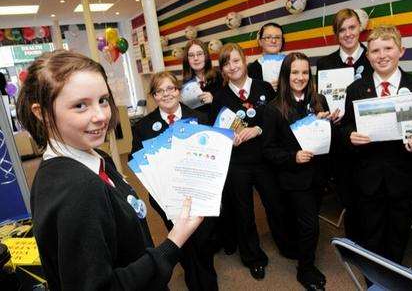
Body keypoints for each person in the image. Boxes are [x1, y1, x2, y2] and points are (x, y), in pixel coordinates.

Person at [16, 50, 203, 291]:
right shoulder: (78, 189)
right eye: (80, 105)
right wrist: (174, 241)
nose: (101, 116)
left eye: (103, 100)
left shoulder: (94, 157)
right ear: (41, 112)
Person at [340, 25, 412, 265]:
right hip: (367, 177)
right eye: (375, 50)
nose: (382, 55)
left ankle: (393, 276)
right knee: (370, 233)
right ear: (368, 55)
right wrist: (350, 136)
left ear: (401, 51)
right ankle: (374, 280)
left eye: (388, 48)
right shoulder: (356, 89)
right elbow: (345, 127)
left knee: (398, 234)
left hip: (403, 176)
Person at [131, 71, 218, 291]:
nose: (166, 94)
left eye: (170, 88)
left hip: (198, 193)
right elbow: (136, 161)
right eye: (159, 91)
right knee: (183, 243)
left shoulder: (200, 118)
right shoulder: (142, 127)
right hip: (166, 197)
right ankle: (192, 278)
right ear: (153, 96)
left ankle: (208, 284)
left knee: (203, 241)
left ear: (178, 91)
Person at [211, 43, 290, 280]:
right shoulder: (220, 98)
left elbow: (278, 121)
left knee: (275, 204)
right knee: (243, 212)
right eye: (227, 63)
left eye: (236, 60)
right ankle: (253, 257)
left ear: (245, 61)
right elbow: (217, 133)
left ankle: (286, 244)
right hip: (238, 164)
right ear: (223, 69)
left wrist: (258, 129)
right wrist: (228, 139)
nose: (232, 66)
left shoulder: (264, 87)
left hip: (265, 159)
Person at [263, 52, 337, 290]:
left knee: (309, 220)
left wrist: (329, 123)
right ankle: (305, 269)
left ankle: (301, 252)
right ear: (286, 74)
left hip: (318, 176)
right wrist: (293, 156)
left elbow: (326, 139)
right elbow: (268, 150)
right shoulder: (274, 109)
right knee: (309, 225)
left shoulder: (319, 100)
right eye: (295, 72)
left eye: (305, 72)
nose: (300, 77)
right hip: (294, 178)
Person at [315, 8, 374, 243]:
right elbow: (319, 100)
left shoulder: (374, 57)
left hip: (368, 139)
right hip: (339, 140)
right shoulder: (326, 63)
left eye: (352, 27)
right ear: (336, 34)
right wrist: (323, 112)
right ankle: (356, 247)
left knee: (370, 196)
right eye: (342, 29)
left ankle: (375, 247)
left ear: (360, 28)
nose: (348, 34)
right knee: (348, 197)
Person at [182, 39, 222, 119]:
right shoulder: (186, 83)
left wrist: (214, 100)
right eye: (191, 55)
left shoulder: (219, 76)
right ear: (187, 59)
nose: (196, 58)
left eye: (199, 54)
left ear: (205, 56)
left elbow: (230, 104)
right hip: (200, 127)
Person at [247, 22, 285, 90]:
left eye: (278, 37)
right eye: (268, 37)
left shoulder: (292, 62)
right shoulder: (252, 68)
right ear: (260, 41)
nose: (273, 41)